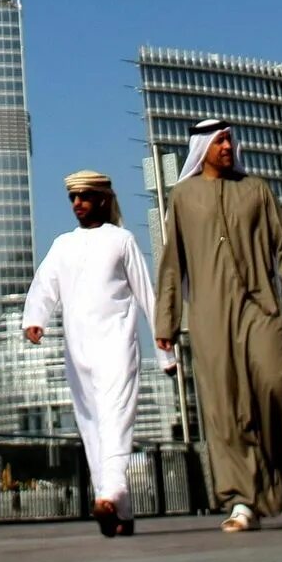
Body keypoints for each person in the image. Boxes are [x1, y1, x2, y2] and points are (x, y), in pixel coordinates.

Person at [154, 118, 282, 533]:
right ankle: (240, 498)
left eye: (229, 139)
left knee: (277, 384)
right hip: (209, 314)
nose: (227, 146)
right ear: (202, 147)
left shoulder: (256, 189)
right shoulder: (184, 196)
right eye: (219, 140)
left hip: (260, 304)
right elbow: (174, 263)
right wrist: (166, 321)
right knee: (224, 406)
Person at [22, 168, 173, 538]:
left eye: (85, 197)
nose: (78, 204)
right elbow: (44, 286)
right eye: (74, 198)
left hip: (117, 345)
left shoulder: (122, 240)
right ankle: (120, 511)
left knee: (115, 419)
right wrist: (34, 319)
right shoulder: (62, 245)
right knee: (91, 426)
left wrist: (166, 352)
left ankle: (109, 492)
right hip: (78, 351)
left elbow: (147, 296)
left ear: (103, 200)